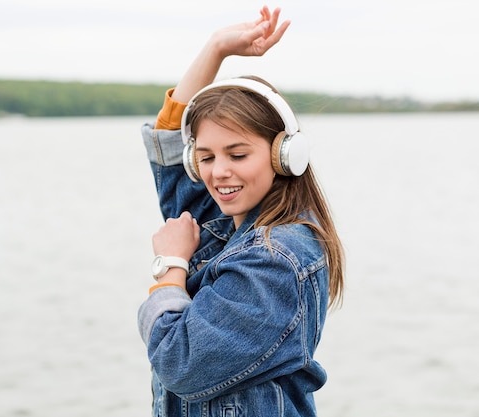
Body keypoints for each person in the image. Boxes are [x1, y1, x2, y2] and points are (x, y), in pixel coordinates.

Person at [137, 5, 344, 417]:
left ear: (285, 155)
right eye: (207, 157)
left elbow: (181, 362)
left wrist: (171, 268)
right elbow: (169, 144)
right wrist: (216, 49)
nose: (219, 173)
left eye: (237, 153)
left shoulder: (276, 258)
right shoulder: (225, 223)